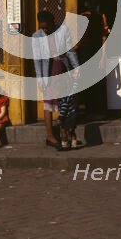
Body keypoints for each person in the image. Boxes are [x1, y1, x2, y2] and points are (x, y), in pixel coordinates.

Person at [32, 10, 80, 149]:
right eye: (42, 27)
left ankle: (64, 134)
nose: (45, 29)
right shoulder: (36, 36)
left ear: (53, 22)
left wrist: (76, 67)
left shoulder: (63, 30)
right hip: (48, 74)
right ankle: (50, 136)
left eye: (47, 26)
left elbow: (70, 50)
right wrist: (40, 79)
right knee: (48, 103)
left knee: (64, 102)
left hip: (62, 70)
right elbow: (37, 60)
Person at [77, 0, 110, 119]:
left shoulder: (100, 17)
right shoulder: (81, 17)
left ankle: (97, 111)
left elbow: (104, 37)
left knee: (97, 81)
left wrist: (103, 56)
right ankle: (88, 110)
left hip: (95, 52)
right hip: (84, 53)